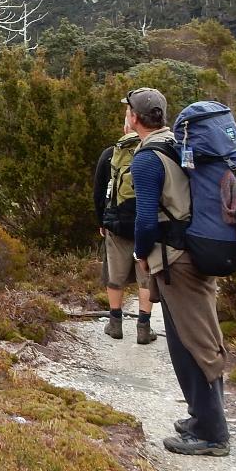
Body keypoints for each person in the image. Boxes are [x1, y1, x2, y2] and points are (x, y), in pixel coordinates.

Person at [124, 86, 231, 457]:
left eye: (127, 111)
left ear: (134, 117)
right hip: (193, 252)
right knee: (196, 337)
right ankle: (201, 417)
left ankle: (213, 433)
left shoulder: (147, 158)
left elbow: (145, 217)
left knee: (192, 343)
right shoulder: (176, 143)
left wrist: (139, 252)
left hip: (176, 260)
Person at [92, 131, 158, 344]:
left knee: (115, 275)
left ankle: (115, 323)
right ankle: (143, 328)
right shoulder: (156, 153)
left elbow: (99, 192)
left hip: (117, 224)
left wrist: (102, 221)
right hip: (148, 224)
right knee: (145, 277)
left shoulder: (111, 154)